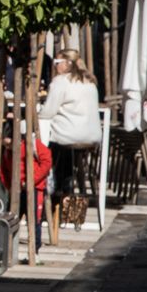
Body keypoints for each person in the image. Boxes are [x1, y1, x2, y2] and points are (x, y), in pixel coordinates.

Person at [37, 50, 102, 207]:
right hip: (92, 136)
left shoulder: (60, 81)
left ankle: (58, 196)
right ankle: (66, 194)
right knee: (64, 152)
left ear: (68, 64)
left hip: (69, 136)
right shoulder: (90, 81)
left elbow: (48, 112)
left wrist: (35, 110)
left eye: (57, 63)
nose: (54, 66)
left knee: (50, 150)